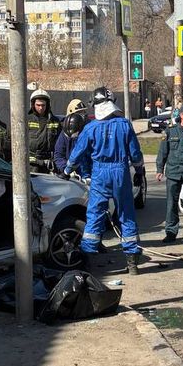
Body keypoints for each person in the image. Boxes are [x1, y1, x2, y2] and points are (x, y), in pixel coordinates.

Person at [65, 87, 144, 275]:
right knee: (126, 214)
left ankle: (88, 264)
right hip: (120, 172)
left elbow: (78, 153)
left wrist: (67, 170)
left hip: (100, 173)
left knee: (95, 215)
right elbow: (135, 153)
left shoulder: (90, 127)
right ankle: (132, 263)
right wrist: (139, 171)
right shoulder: (124, 125)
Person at [156, 103, 183, 242]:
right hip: (173, 172)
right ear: (181, 115)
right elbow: (163, 152)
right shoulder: (170, 131)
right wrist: (159, 169)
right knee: (171, 203)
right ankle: (171, 231)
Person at [54, 99, 90, 177]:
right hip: (71, 176)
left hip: (90, 175)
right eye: (79, 113)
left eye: (83, 112)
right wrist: (66, 169)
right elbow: (58, 156)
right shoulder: (65, 134)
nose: (82, 115)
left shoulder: (90, 130)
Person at [27, 88, 60, 173]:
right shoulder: (26, 120)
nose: (41, 108)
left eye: (43, 105)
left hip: (49, 165)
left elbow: (60, 143)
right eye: (38, 105)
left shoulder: (55, 121)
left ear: (48, 105)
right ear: (32, 104)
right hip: (32, 165)